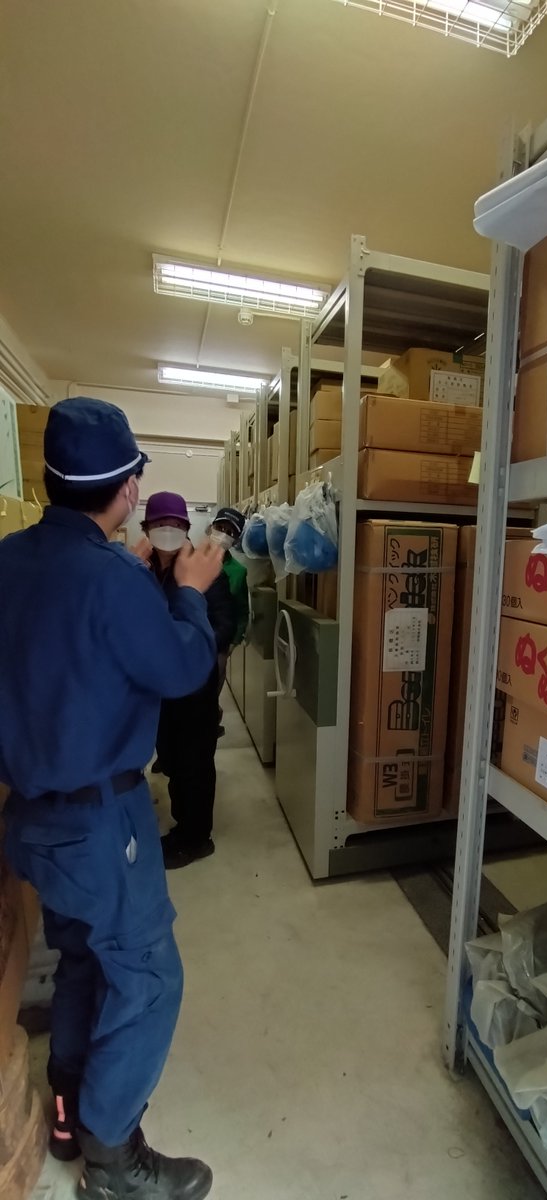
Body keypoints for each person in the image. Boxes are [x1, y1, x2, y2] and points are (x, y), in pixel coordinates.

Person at [0, 398, 223, 1200]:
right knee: (150, 974)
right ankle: (112, 1156)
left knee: (83, 959)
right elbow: (182, 668)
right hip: (100, 822)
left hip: (31, 818)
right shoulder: (116, 578)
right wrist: (190, 590)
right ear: (128, 489)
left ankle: (67, 1111)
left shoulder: (7, 559)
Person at [140, 493, 240, 869]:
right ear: (146, 529)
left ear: (186, 528)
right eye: (159, 524)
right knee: (171, 755)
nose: (167, 530)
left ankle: (196, 838)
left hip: (195, 684)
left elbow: (225, 625)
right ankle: (184, 823)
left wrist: (184, 642)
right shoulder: (141, 569)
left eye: (175, 524)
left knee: (194, 762)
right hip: (159, 686)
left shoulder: (203, 569)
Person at [207, 507, 249, 733]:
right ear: (211, 527)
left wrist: (234, 640)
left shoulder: (238, 571)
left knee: (212, 691)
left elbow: (242, 610)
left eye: (230, 532)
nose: (223, 534)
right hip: (191, 638)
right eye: (220, 527)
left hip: (220, 642)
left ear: (236, 540)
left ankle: (209, 728)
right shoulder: (191, 558)